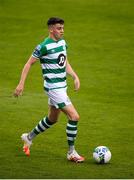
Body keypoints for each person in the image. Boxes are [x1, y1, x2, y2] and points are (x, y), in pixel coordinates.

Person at [14, 17, 84, 163]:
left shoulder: (63, 43)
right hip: (53, 88)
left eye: (63, 28)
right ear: (51, 29)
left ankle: (28, 137)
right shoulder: (43, 46)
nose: (62, 31)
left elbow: (64, 62)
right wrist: (21, 84)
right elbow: (28, 64)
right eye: (59, 28)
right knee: (74, 116)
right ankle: (71, 153)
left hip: (62, 86)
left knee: (52, 119)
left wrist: (75, 76)